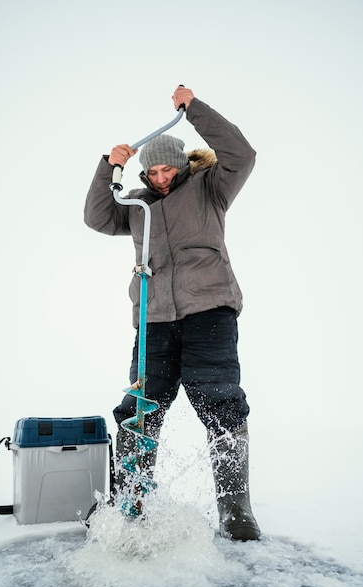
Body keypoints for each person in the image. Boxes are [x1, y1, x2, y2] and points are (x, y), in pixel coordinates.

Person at [84, 85, 261, 541]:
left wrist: (194, 109)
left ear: (182, 164)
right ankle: (132, 501)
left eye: (168, 168)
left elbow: (241, 152)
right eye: (154, 170)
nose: (161, 177)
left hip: (209, 312)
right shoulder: (138, 205)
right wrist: (110, 166)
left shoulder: (211, 188)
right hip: (154, 320)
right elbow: (97, 218)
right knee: (140, 408)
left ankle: (235, 510)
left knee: (220, 403)